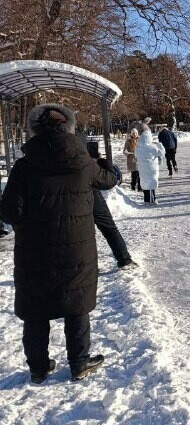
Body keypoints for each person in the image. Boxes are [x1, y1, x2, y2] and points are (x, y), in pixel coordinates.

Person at [0, 104, 117, 383]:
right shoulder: (84, 162)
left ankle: (38, 367)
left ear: (35, 129)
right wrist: (105, 164)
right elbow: (110, 180)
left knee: (35, 306)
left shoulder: (24, 166)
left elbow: (9, 212)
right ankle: (78, 363)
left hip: (33, 249)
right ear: (69, 127)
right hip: (76, 247)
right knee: (76, 301)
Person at [86, 143, 138, 270]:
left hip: (56, 200)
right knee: (108, 227)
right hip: (89, 195)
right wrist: (103, 162)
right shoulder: (82, 159)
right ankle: (124, 259)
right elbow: (109, 181)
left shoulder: (40, 156)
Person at [134, 127, 166, 204]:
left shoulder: (138, 148)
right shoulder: (152, 147)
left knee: (145, 185)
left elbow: (135, 156)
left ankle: (146, 200)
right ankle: (151, 201)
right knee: (151, 185)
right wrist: (160, 145)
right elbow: (161, 153)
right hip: (151, 170)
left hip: (142, 170)